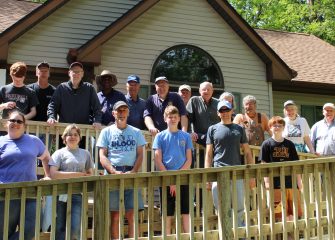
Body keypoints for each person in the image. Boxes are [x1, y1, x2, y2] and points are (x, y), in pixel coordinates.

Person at [96, 101, 146, 239]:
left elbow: (141, 154)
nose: (122, 113)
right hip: (113, 175)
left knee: (131, 214)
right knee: (115, 214)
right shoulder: (106, 132)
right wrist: (113, 171)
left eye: (124, 110)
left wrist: (134, 171)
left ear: (128, 113)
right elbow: (102, 155)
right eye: (119, 111)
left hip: (131, 174)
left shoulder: (136, 132)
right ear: (113, 113)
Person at [0, 111, 51, 240]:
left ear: (24, 126)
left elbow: (46, 158)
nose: (15, 123)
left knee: (31, 230)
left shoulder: (33, 140)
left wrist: (48, 175)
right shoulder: (1, 141)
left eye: (19, 121)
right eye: (12, 120)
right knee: (5, 232)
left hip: (31, 192)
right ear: (7, 123)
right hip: (7, 193)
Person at [205, 100, 254, 227]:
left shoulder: (239, 129)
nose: (225, 113)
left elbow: (248, 153)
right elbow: (209, 154)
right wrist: (207, 176)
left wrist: (252, 174)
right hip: (218, 172)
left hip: (236, 172)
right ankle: (225, 232)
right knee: (220, 205)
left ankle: (238, 234)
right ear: (218, 113)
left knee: (238, 207)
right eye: (222, 110)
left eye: (227, 110)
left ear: (232, 111)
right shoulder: (212, 129)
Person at [153, 106, 193, 234]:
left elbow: (189, 160)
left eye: (175, 117)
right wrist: (170, 180)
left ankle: (188, 237)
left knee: (185, 211)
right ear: (165, 119)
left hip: (183, 177)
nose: (173, 119)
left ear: (179, 119)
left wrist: (176, 178)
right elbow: (158, 160)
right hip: (165, 179)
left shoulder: (186, 136)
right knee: (167, 212)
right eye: (170, 117)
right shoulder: (159, 137)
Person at [49, 124, 93, 240]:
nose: (73, 137)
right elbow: (53, 174)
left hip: (78, 193)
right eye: (69, 134)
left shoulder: (86, 154)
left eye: (75, 134)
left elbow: (90, 173)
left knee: (75, 228)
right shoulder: (59, 153)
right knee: (60, 227)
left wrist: (82, 176)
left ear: (79, 137)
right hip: (60, 193)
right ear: (64, 138)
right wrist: (78, 175)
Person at [47, 62, 102, 148]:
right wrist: (51, 117)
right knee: (63, 159)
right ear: (69, 73)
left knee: (80, 160)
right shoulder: (61, 88)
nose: (76, 74)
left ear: (82, 74)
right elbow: (52, 105)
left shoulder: (89, 88)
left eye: (78, 72)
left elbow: (97, 108)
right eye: (73, 71)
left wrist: (97, 120)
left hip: (82, 133)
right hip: (64, 132)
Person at [259, 116, 303, 223]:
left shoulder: (290, 144)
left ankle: (291, 237)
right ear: (270, 127)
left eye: (280, 125)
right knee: (278, 215)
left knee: (293, 213)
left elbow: (296, 164)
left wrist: (299, 181)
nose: (277, 127)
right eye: (274, 125)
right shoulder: (266, 144)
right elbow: (263, 164)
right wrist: (267, 182)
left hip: (291, 183)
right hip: (275, 184)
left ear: (283, 127)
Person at [186, 81, 220, 164]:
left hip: (216, 138)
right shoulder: (194, 100)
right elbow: (187, 118)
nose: (206, 91)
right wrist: (190, 132)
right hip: (200, 138)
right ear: (199, 91)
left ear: (212, 91)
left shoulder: (218, 102)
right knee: (200, 163)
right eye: (204, 89)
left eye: (209, 89)